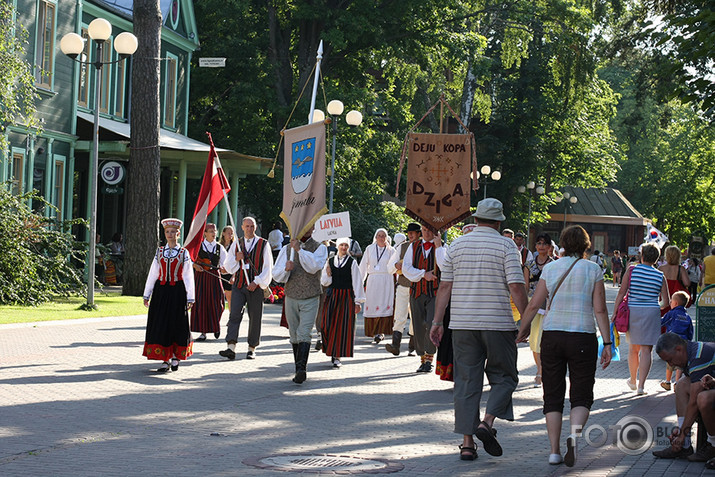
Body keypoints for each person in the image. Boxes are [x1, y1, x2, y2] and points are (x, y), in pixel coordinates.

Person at [430, 198, 528, 461]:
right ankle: (487, 422)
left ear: (475, 219)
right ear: (498, 222)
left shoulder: (456, 246)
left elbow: (444, 287)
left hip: (462, 325)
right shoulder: (507, 246)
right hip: (498, 324)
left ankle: (467, 444)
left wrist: (437, 322)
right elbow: (516, 287)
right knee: (505, 377)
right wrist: (526, 319)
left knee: (466, 383)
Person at [517, 225, 611, 467]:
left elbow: (533, 304)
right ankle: (574, 438)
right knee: (581, 393)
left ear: (563, 244)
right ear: (586, 245)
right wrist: (607, 342)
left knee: (553, 394)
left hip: (553, 336)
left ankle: (554, 451)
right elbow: (600, 309)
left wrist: (523, 329)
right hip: (582, 336)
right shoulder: (594, 269)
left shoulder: (550, 267)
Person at [273, 227, 328, 384]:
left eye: (310, 226)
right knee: (294, 334)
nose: (307, 229)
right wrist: (286, 269)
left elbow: (313, 267)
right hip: (291, 295)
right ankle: (298, 367)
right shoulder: (286, 248)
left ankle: (301, 369)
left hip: (310, 296)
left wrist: (300, 250)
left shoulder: (320, 247)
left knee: (304, 333)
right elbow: (276, 274)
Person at [613, 243, 669, 394]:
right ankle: (641, 386)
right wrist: (655, 305)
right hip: (652, 312)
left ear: (642, 256)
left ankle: (632, 379)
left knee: (633, 348)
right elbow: (666, 301)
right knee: (646, 350)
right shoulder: (660, 275)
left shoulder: (632, 270)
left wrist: (614, 312)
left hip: (633, 311)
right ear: (656, 258)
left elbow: (621, 293)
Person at [652, 333, 715, 465]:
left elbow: (693, 402)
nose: (671, 364)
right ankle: (684, 446)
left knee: (703, 399)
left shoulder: (699, 356)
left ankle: (713, 445)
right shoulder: (689, 354)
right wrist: (682, 431)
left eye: (670, 359)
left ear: (679, 349)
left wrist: (681, 433)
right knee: (681, 384)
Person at [142, 218, 195, 372]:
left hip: (177, 292)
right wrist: (147, 294)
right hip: (161, 292)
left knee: (176, 323)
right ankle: (165, 359)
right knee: (161, 323)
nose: (170, 234)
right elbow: (153, 273)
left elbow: (188, 276)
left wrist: (190, 296)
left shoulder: (183, 253)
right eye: (167, 232)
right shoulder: (160, 252)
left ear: (178, 233)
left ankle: (176, 357)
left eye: (173, 232)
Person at [220, 217, 273, 360]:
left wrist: (257, 282)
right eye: (247, 226)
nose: (249, 229)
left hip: (255, 286)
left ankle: (251, 348)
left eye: (252, 226)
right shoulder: (237, 244)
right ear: (242, 227)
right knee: (234, 314)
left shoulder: (263, 244)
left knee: (255, 317)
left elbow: (268, 267)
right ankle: (231, 346)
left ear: (255, 228)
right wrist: (236, 259)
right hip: (239, 285)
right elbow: (228, 266)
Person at [403, 224, 447, 373]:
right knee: (418, 325)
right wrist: (423, 274)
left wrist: (439, 246)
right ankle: (422, 358)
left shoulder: (442, 247)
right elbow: (406, 269)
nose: (427, 233)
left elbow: (444, 266)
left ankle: (429, 358)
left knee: (431, 323)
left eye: (430, 230)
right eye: (424, 230)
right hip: (416, 292)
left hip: (435, 293)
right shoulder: (413, 246)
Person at [320, 237, 366, 368]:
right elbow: (324, 282)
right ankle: (330, 348)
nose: (344, 248)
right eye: (342, 245)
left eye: (346, 245)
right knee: (326, 323)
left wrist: (358, 302)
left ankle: (337, 355)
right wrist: (328, 274)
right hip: (333, 296)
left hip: (346, 297)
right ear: (338, 246)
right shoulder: (330, 261)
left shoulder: (352, 263)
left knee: (342, 327)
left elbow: (357, 282)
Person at [524, 233, 554, 388]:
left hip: (549, 304)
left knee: (544, 338)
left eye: (545, 243)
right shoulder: (529, 264)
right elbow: (525, 285)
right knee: (534, 339)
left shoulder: (553, 264)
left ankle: (541, 372)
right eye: (539, 243)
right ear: (535, 245)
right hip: (533, 303)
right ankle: (539, 368)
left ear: (549, 247)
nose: (541, 246)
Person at [386, 223, 421, 356]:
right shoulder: (402, 247)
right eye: (409, 232)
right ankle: (396, 345)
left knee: (415, 316)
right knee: (399, 314)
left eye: (413, 232)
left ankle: (412, 344)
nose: (410, 234)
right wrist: (396, 264)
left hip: (418, 286)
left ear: (419, 234)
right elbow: (390, 267)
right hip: (402, 284)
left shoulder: (423, 247)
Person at [190, 223, 227, 341]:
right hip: (201, 278)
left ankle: (216, 326)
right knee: (201, 303)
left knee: (218, 302)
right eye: (210, 231)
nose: (213, 233)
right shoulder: (198, 246)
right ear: (205, 233)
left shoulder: (219, 247)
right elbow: (188, 260)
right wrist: (194, 265)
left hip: (215, 277)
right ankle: (203, 332)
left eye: (214, 231)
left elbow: (225, 263)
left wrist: (225, 269)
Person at [359, 228, 395, 344]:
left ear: (386, 237)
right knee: (373, 303)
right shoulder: (369, 249)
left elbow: (395, 266)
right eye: (379, 235)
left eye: (383, 235)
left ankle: (381, 332)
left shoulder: (391, 250)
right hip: (373, 280)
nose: (381, 237)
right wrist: (360, 281)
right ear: (375, 237)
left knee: (384, 304)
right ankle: (372, 331)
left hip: (386, 280)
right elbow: (364, 265)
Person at [660, 291, 694, 390]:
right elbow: (690, 331)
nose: (670, 303)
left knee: (670, 362)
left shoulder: (671, 314)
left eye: (671, 301)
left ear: (675, 303)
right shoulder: (687, 317)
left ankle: (667, 382)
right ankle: (677, 383)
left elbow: (662, 322)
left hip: (672, 341)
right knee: (680, 363)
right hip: (683, 342)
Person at [659, 245, 691, 314]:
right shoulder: (681, 269)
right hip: (676, 298)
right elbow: (687, 283)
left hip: (663, 297)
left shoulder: (661, 268)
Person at [218, 226, 236, 310]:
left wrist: (233, 276)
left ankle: (231, 318)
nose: (230, 235)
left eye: (232, 233)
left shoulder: (235, 247)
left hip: (229, 274)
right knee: (218, 298)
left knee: (230, 299)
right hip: (219, 274)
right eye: (228, 233)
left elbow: (237, 263)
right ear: (223, 233)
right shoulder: (219, 246)